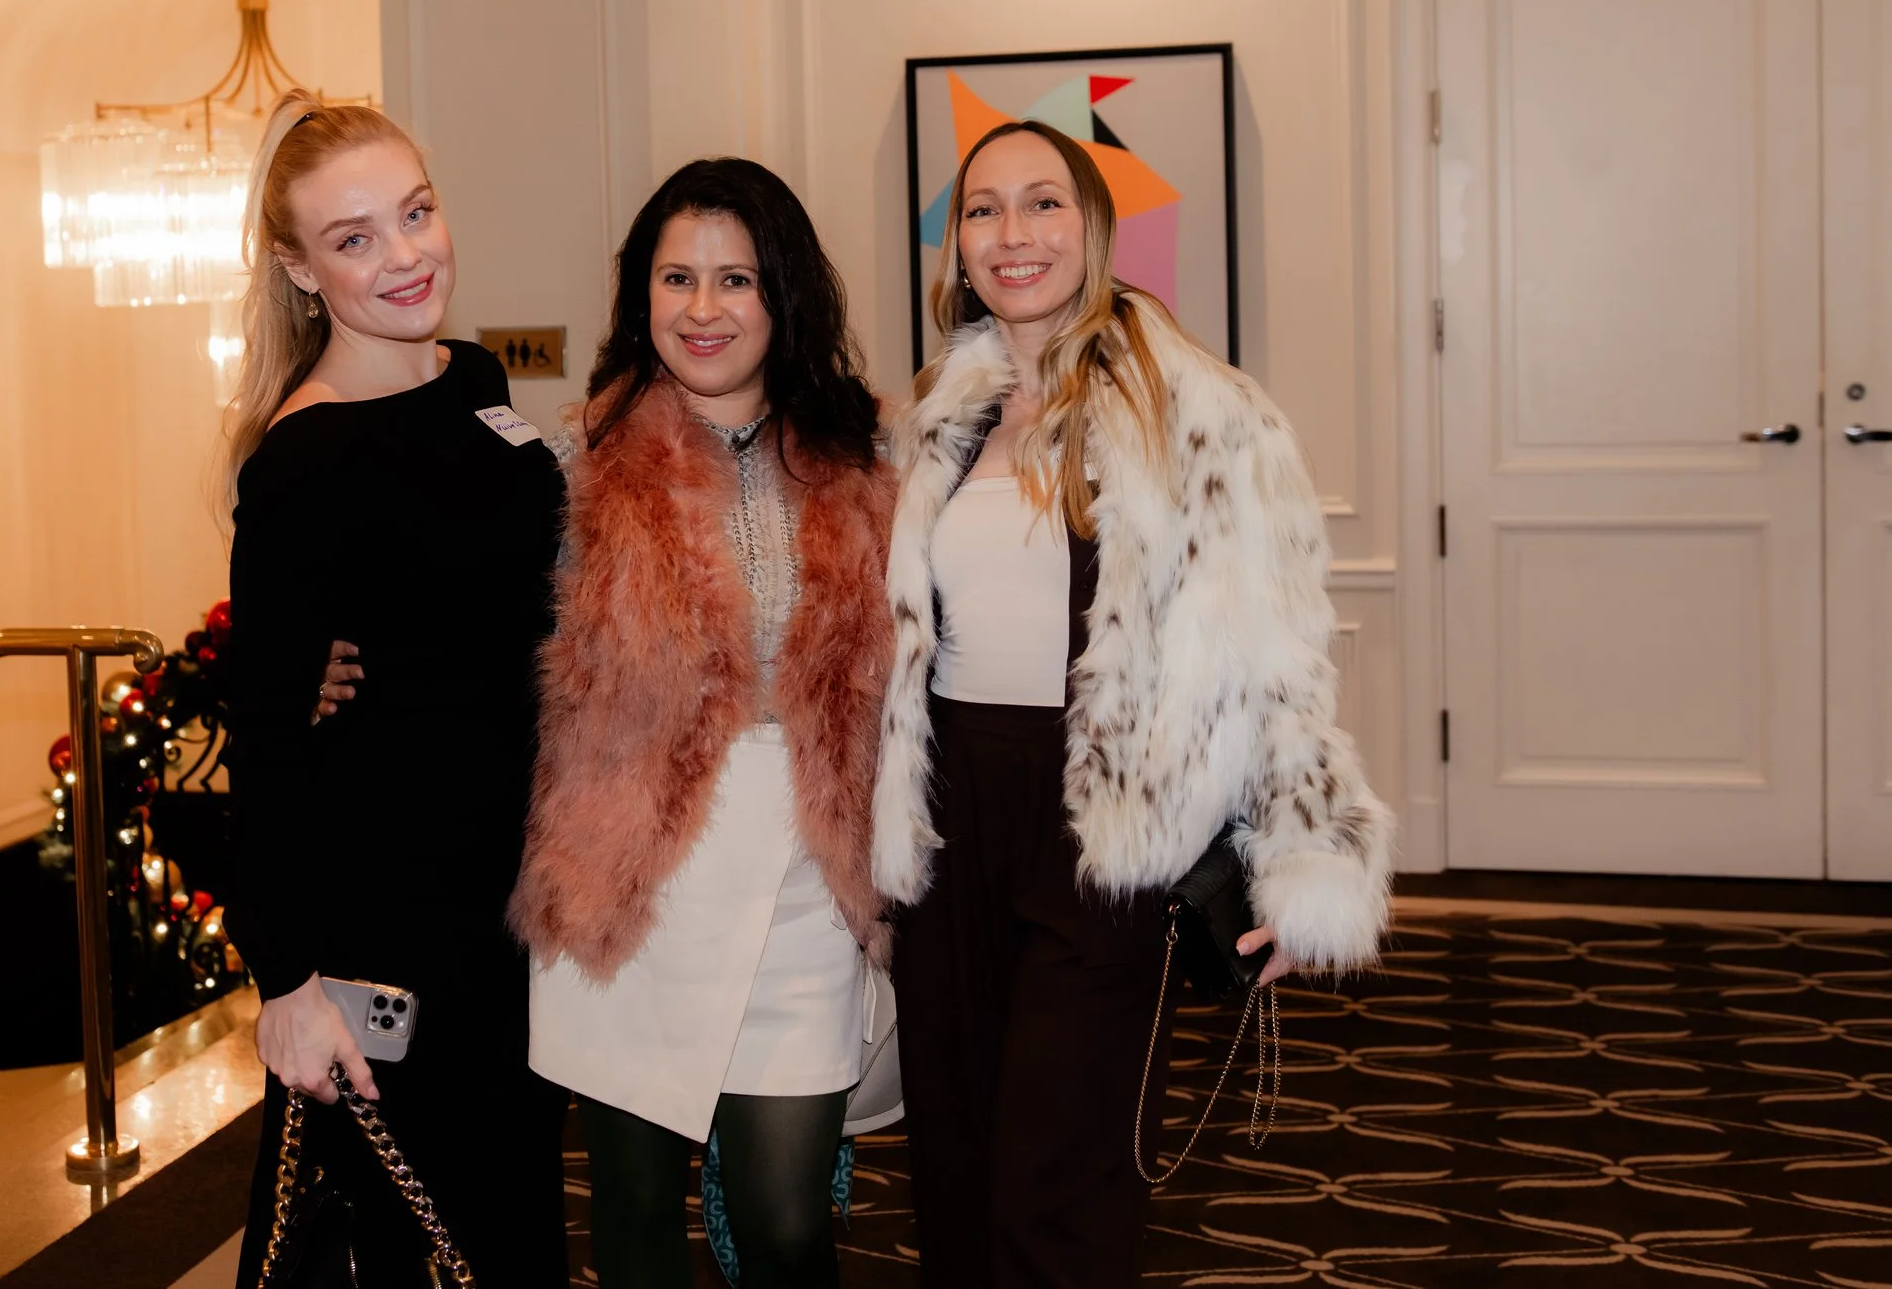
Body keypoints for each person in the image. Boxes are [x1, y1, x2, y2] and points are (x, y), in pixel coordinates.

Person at [873, 120, 1393, 1288]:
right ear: (955, 243)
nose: (1014, 234)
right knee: (954, 1164)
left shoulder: (1199, 406)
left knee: (1057, 1181)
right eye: (984, 208)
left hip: (1106, 828)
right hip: (951, 817)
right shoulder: (933, 416)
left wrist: (1297, 854)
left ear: (1094, 229)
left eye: (1044, 203)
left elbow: (1278, 649)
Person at [508, 158, 897, 1289]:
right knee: (631, 1221)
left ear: (784, 295)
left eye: (735, 277)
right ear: (641, 293)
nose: (703, 307)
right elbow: (476, 639)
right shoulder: (575, 464)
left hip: (804, 880)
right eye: (677, 276)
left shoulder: (861, 461)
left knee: (785, 1223)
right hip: (634, 884)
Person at [220, 93, 569, 1287]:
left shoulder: (469, 379)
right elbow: (260, 740)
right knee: (441, 1237)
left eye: (414, 212)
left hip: (509, 896)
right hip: (391, 913)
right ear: (298, 266)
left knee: (510, 1213)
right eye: (354, 236)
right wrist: (284, 982)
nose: (406, 254)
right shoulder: (301, 460)